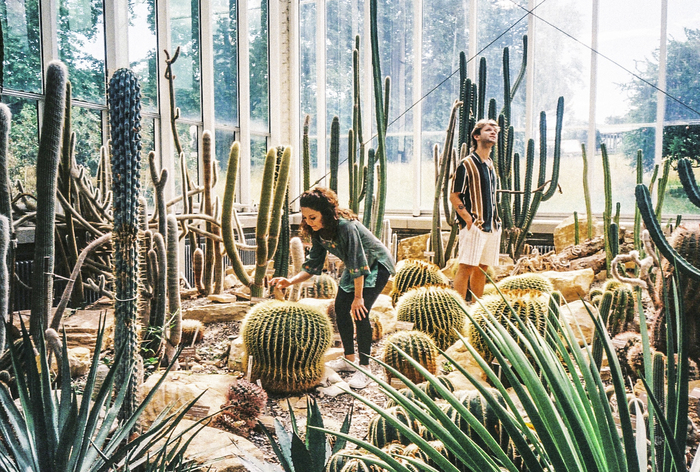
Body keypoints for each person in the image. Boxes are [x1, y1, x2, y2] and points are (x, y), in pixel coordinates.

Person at [270, 187, 396, 389]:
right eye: (306, 218)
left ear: (326, 213)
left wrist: (358, 297)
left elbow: (357, 261)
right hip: (357, 267)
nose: (309, 222)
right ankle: (349, 359)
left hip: (376, 264)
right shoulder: (318, 231)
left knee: (360, 312)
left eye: (313, 217)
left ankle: (365, 369)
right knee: (340, 308)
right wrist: (290, 281)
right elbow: (313, 266)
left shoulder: (346, 227)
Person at [449, 119, 501, 301]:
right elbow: (454, 195)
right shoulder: (467, 164)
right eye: (488, 130)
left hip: (492, 226)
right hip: (475, 226)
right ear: (477, 136)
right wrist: (468, 219)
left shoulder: (490, 165)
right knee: (466, 267)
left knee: (482, 268)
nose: (493, 132)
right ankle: (459, 309)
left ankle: (477, 308)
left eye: (495, 130)